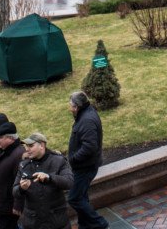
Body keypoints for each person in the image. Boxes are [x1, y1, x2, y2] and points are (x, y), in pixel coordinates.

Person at [13, 132, 73, 229]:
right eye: (26, 146)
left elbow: (69, 182)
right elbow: (14, 191)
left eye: (31, 146)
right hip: (33, 223)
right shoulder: (23, 165)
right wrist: (21, 188)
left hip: (56, 222)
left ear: (42, 145)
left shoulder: (59, 161)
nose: (27, 149)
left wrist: (50, 177)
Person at [67, 91, 109, 229]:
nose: (69, 107)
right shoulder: (86, 114)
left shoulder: (86, 120)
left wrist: (73, 158)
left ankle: (99, 223)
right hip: (85, 166)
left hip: (85, 167)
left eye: (71, 105)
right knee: (82, 196)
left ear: (77, 107)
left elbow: (90, 146)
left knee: (74, 198)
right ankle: (85, 225)